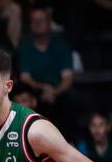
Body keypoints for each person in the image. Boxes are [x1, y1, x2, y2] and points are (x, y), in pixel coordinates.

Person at [16, 8, 76, 137]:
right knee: (25, 101)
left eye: (41, 20)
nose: (37, 23)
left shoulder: (61, 45)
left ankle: (68, 143)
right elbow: (25, 77)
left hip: (57, 92)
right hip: (35, 91)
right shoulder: (25, 45)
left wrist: (55, 91)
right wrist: (42, 88)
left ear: (49, 24)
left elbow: (67, 78)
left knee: (71, 101)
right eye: (34, 20)